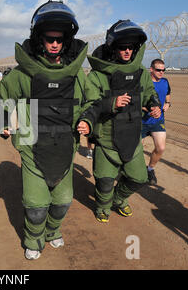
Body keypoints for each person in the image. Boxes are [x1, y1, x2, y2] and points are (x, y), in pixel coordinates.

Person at [0, 0, 95, 260]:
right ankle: (33, 238)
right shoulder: (23, 74)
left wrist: (87, 120)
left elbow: (90, 103)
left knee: (62, 202)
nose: (54, 44)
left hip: (64, 146)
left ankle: (52, 231)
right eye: (49, 39)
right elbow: (2, 98)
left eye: (59, 39)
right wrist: (3, 122)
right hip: (31, 146)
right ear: (39, 39)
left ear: (66, 41)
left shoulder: (77, 76)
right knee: (37, 206)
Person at [78, 20, 161, 224]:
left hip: (132, 139)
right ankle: (103, 206)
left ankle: (119, 199)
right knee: (104, 182)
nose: (127, 51)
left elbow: (150, 92)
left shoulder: (141, 73)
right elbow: (90, 103)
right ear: (113, 48)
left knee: (139, 178)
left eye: (130, 47)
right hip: (106, 140)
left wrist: (154, 104)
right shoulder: (99, 75)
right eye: (122, 47)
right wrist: (112, 103)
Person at [142, 59, 171, 185]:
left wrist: (167, 104)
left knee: (161, 148)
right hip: (142, 121)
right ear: (151, 69)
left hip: (158, 121)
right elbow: (135, 102)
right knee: (135, 150)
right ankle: (131, 171)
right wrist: (148, 109)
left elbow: (168, 96)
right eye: (158, 70)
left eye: (163, 70)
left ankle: (150, 169)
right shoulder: (144, 83)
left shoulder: (165, 82)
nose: (161, 72)